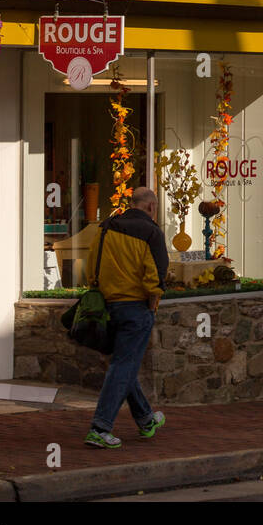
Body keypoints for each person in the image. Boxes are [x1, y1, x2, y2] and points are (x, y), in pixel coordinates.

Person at [84, 186, 169, 448]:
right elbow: (155, 277)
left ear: (131, 203)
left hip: (107, 306)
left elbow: (90, 265)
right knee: (123, 366)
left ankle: (145, 419)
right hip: (135, 308)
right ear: (152, 207)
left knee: (124, 364)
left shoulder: (107, 226)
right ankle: (100, 427)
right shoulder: (152, 233)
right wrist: (152, 306)